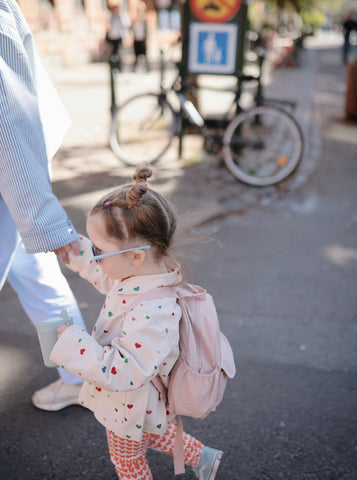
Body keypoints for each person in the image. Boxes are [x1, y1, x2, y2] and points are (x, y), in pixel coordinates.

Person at [50, 166, 223, 480]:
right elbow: (109, 277)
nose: (94, 254)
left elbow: (125, 371)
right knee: (150, 435)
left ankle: (204, 457)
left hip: (130, 402)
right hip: (139, 405)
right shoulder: (145, 275)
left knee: (128, 460)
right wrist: (76, 254)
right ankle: (206, 457)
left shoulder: (154, 312)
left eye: (97, 249)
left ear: (136, 256)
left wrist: (73, 344)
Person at [0, 0, 86, 410]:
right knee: (40, 279)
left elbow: (8, 123)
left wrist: (45, 223)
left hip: (10, 181)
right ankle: (78, 376)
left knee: (40, 277)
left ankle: (79, 376)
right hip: (13, 183)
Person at [131, 0, 150, 72]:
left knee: (145, 56)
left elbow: (147, 31)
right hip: (137, 39)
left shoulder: (145, 19)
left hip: (143, 40)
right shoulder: (135, 20)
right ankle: (134, 70)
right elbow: (132, 29)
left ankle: (147, 69)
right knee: (136, 56)